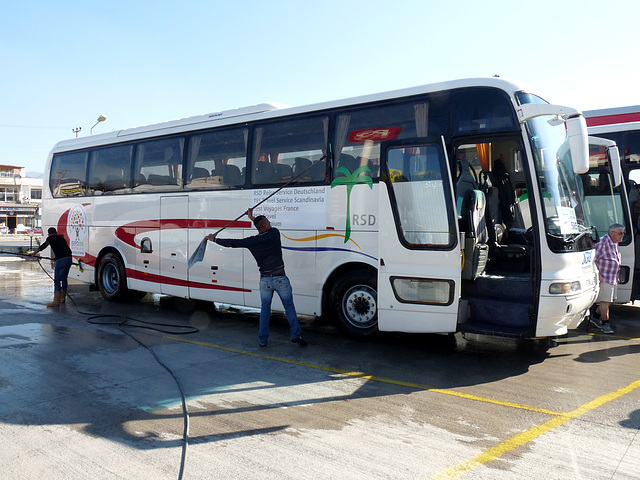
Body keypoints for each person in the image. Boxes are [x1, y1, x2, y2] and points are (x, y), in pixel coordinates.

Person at [207, 209, 307, 348]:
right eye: (268, 221)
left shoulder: (252, 241)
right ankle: (295, 335)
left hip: (265, 280)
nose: (270, 223)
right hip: (280, 278)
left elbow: (232, 243)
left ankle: (262, 340)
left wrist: (214, 239)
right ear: (265, 226)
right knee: (289, 307)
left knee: (265, 310)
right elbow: (261, 226)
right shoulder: (274, 234)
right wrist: (252, 217)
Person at [591, 223, 624, 334]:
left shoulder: (615, 243)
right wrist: (598, 274)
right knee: (605, 301)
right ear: (612, 233)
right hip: (605, 277)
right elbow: (593, 259)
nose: (622, 236)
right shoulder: (602, 243)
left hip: (613, 277)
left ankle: (595, 316)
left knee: (611, 300)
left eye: (623, 233)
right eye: (620, 233)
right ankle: (605, 323)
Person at [29, 227, 73, 307]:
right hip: (69, 258)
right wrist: (56, 258)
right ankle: (62, 298)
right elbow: (63, 249)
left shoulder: (51, 238)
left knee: (57, 280)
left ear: (49, 234)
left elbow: (43, 246)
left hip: (61, 260)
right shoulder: (61, 239)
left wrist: (34, 253)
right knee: (64, 278)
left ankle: (56, 301)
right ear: (56, 232)